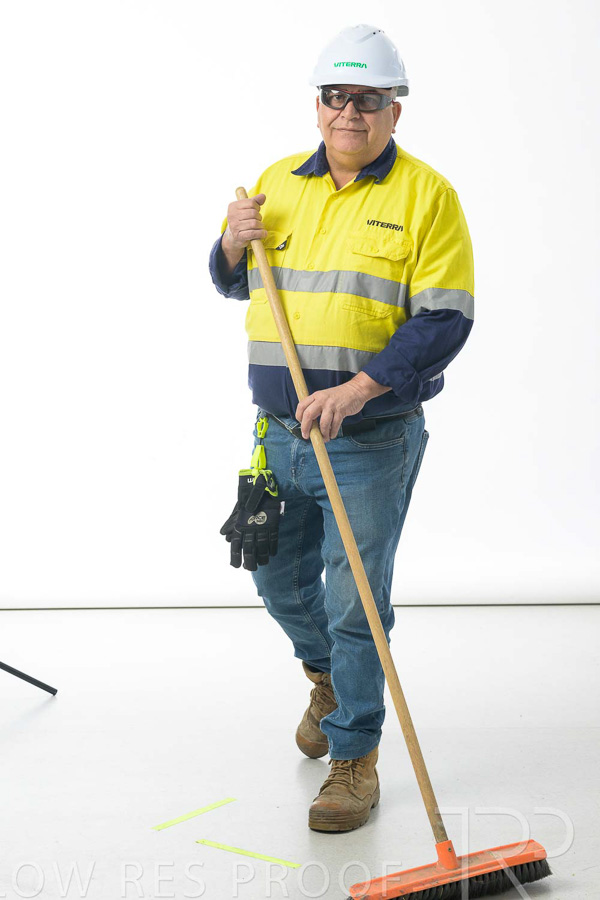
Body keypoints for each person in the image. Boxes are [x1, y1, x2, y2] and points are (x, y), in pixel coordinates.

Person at [209, 24, 474, 833]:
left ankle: (355, 756)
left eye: (368, 98)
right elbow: (233, 283)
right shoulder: (275, 183)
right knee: (275, 577)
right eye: (336, 96)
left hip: (368, 439)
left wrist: (359, 390)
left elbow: (446, 319)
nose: (349, 112)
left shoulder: (427, 196)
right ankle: (326, 678)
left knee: (356, 600)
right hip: (277, 432)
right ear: (318, 104)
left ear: (395, 109)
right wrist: (230, 244)